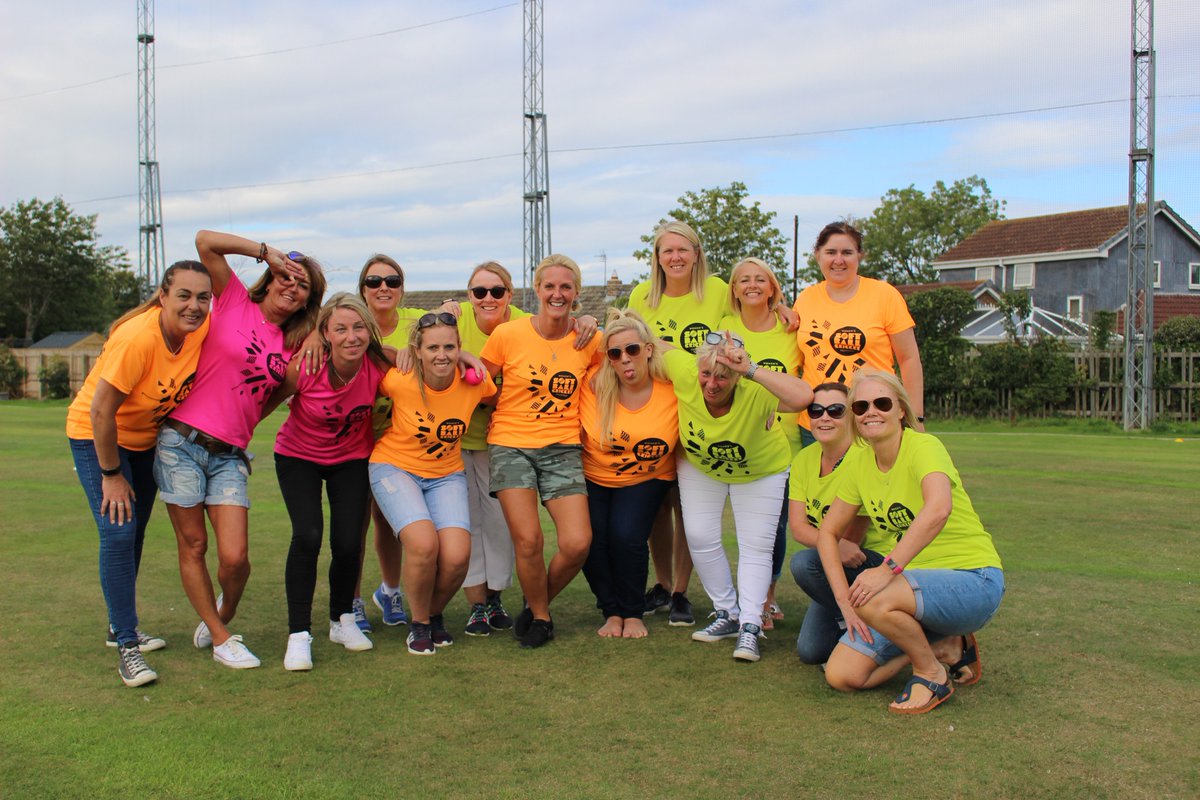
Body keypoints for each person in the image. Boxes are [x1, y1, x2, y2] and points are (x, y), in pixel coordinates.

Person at [155, 230, 325, 670]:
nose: (291, 287)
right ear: (270, 278)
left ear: (308, 301)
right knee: (194, 545)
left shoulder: (292, 344)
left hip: (229, 455)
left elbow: (270, 401)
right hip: (181, 443)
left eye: (303, 286)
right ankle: (221, 637)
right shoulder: (232, 298)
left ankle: (223, 611)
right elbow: (204, 242)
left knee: (235, 559)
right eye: (286, 277)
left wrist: (317, 335)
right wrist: (266, 252)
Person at [816, 368, 1004, 714]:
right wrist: (844, 602)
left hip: (974, 579)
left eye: (882, 403)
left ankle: (931, 674)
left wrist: (885, 570)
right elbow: (828, 533)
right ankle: (942, 647)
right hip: (911, 591)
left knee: (871, 594)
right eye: (860, 407)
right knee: (841, 675)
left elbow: (938, 509)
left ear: (901, 409)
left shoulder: (924, 446)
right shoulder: (859, 461)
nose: (871, 412)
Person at [66, 261, 212, 686]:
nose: (194, 305)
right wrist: (111, 474)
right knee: (118, 532)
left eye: (202, 297)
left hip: (144, 440)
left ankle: (119, 626)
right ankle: (127, 646)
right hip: (96, 437)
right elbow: (100, 411)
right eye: (183, 295)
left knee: (135, 533)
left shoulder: (199, 328)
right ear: (163, 296)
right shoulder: (137, 338)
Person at [662, 332, 812, 662]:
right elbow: (652, 345)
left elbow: (803, 397)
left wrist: (751, 370)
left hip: (761, 469)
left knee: (755, 545)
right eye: (706, 373)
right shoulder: (685, 370)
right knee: (699, 535)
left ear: (736, 376)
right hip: (700, 465)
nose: (712, 383)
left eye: (722, 376)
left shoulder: (754, 388)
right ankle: (727, 612)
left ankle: (750, 625)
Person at [480, 254, 601, 648]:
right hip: (510, 445)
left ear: (577, 292)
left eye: (566, 287)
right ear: (537, 290)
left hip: (563, 447)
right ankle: (543, 619)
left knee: (578, 543)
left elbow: (623, 365)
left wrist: (593, 321)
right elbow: (478, 382)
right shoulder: (507, 334)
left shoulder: (590, 340)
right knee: (529, 540)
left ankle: (535, 603)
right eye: (550, 286)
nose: (557, 294)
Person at [266, 293, 391, 670]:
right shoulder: (306, 365)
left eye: (359, 328)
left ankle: (342, 620)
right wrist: (234, 442)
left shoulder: (379, 363)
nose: (351, 337)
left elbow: (420, 356)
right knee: (307, 536)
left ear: (369, 331)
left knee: (348, 542)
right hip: (298, 457)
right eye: (341, 329)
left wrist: (465, 357)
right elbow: (265, 404)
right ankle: (299, 635)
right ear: (326, 334)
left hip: (351, 459)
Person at [369, 312, 496, 655]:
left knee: (457, 557)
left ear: (459, 348)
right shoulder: (401, 378)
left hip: (446, 474)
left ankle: (432, 612)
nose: (442, 355)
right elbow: (367, 349)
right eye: (433, 348)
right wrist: (398, 352)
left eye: (450, 347)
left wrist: (468, 358)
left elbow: (495, 395)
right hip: (394, 467)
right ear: (418, 351)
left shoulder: (475, 382)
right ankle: (420, 624)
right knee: (424, 545)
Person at [579, 309, 679, 639]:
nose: (624, 359)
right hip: (595, 475)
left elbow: (709, 373)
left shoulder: (672, 386)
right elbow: (565, 344)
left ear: (649, 349)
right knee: (590, 539)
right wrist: (587, 321)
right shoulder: (595, 383)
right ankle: (611, 610)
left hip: (647, 478)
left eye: (633, 349)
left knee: (626, 535)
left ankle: (633, 612)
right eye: (615, 353)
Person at [719, 257, 804, 630]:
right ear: (734, 290)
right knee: (747, 526)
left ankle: (767, 596)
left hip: (785, 440)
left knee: (776, 524)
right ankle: (748, 596)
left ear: (772, 288)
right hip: (740, 440)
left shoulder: (792, 330)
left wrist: (784, 309)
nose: (752, 285)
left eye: (760, 279)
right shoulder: (724, 328)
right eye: (744, 280)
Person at [356, 254, 431, 632]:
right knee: (353, 522)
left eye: (392, 281)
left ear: (402, 288)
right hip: (354, 438)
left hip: (399, 442)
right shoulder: (353, 322)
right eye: (374, 281)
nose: (383, 287)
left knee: (389, 521)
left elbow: (451, 330)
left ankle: (390, 590)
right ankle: (352, 600)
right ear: (362, 289)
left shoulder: (416, 323)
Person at [786, 382, 885, 665]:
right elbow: (798, 527)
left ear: (851, 415)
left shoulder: (864, 456)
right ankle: (855, 623)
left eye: (836, 410)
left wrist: (834, 544)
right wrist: (832, 544)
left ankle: (880, 624)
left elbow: (853, 541)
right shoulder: (804, 459)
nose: (824, 417)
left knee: (805, 564)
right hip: (836, 559)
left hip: (873, 562)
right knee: (811, 651)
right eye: (816, 410)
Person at [454, 262, 527, 635]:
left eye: (496, 291)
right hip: (455, 439)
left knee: (500, 522)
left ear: (509, 294)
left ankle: (495, 597)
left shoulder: (525, 325)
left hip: (502, 440)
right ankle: (476, 605)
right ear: (469, 295)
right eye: (479, 291)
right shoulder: (454, 321)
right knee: (467, 523)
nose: (488, 298)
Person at [793, 221, 924, 429]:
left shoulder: (885, 295)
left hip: (873, 419)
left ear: (859, 256)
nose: (838, 260)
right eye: (831, 252)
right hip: (818, 421)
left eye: (847, 252)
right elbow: (792, 361)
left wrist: (916, 417)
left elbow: (909, 359)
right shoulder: (805, 299)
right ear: (817, 255)